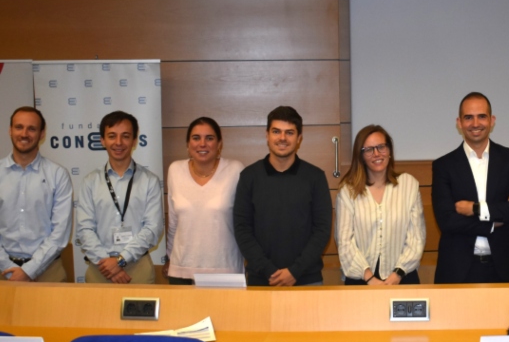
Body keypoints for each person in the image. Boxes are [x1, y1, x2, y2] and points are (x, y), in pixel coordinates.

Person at [432, 92, 509, 284]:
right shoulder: (444, 165)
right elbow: (447, 221)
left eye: (482, 116)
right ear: (459, 122)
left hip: (505, 266)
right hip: (459, 268)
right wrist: (497, 220)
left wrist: (475, 209)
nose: (475, 123)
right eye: (468, 117)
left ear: (492, 120)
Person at [233, 106, 332, 286]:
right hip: (261, 280)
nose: (282, 138)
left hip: (306, 279)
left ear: (299, 138)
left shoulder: (315, 177)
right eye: (276, 131)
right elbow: (242, 229)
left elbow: (322, 230)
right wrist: (268, 270)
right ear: (267, 135)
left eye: (290, 133)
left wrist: (295, 271)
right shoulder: (249, 177)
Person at [76, 111, 163, 284]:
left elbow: (153, 228)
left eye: (125, 136)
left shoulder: (150, 181)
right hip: (99, 267)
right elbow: (84, 229)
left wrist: (121, 260)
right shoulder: (90, 182)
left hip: (138, 269)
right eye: (111, 136)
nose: (118, 142)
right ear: (102, 140)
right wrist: (108, 265)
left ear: (134, 140)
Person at [335, 125, 425, 285]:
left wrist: (397, 274)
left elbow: (416, 238)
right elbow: (344, 242)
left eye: (381, 147)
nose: (376, 154)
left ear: (389, 150)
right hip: (360, 280)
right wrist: (369, 278)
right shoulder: (348, 191)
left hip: (403, 277)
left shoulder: (408, 185)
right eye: (368, 149)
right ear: (361, 155)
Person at [163, 117, 245, 284]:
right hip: (181, 269)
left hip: (225, 269)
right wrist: (170, 258)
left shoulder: (235, 170)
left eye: (209, 138)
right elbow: (173, 222)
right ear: (187, 144)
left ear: (219, 144)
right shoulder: (175, 170)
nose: (202, 144)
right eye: (196, 138)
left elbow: (244, 224)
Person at [0, 107, 73, 282]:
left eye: (31, 129)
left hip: (48, 271)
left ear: (42, 134)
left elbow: (60, 232)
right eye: (19, 127)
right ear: (10, 130)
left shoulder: (58, 175)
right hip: (3, 270)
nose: (24, 134)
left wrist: (28, 270)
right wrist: (7, 266)